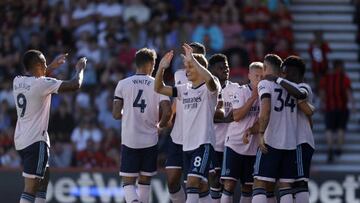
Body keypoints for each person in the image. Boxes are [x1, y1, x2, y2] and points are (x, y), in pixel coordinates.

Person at [14, 50, 87, 203]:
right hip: (35, 140)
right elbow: (75, 85)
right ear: (38, 65)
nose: (47, 66)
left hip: (21, 139)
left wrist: (53, 65)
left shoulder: (17, 81)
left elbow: (38, 76)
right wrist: (80, 68)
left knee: (44, 178)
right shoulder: (42, 84)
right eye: (45, 64)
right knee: (31, 187)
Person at [155, 44, 221, 203]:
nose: (186, 71)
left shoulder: (210, 88)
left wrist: (194, 62)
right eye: (186, 67)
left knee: (193, 183)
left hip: (203, 143)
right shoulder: (184, 89)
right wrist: (161, 68)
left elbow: (210, 80)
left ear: (199, 68)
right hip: (186, 145)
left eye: (189, 67)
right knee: (196, 187)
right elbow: (158, 88)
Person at [112, 48, 172, 203]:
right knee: (145, 181)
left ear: (136, 64)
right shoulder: (158, 85)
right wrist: (160, 125)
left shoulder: (123, 84)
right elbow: (167, 112)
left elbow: (116, 114)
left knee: (128, 182)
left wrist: (130, 113)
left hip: (130, 138)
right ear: (152, 64)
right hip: (150, 140)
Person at [264, 56, 315, 203]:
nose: (283, 74)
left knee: (300, 182)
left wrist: (277, 79)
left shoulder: (303, 87)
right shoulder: (285, 88)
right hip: (290, 141)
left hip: (300, 140)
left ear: (295, 73)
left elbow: (300, 95)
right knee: (286, 183)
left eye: (286, 71)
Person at [252, 54, 298, 203]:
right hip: (290, 143)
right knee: (285, 186)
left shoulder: (265, 84)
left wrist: (260, 134)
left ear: (265, 68)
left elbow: (265, 111)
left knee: (259, 183)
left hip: (271, 141)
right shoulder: (291, 86)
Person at [165, 42, 206, 203]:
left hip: (198, 136)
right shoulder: (179, 74)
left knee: (197, 183)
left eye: (191, 55)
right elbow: (178, 98)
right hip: (178, 134)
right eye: (186, 55)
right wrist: (169, 116)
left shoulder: (208, 79)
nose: (187, 59)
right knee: (172, 181)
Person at [220, 62, 263, 203]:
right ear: (249, 76)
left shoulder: (266, 95)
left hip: (253, 147)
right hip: (234, 144)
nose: (259, 79)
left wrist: (251, 130)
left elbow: (263, 121)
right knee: (229, 185)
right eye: (256, 76)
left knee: (248, 188)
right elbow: (237, 116)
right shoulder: (241, 91)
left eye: (262, 76)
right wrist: (253, 98)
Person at [207, 53, 239, 202]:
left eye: (226, 68)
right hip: (213, 143)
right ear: (212, 70)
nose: (225, 71)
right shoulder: (207, 90)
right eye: (221, 68)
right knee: (214, 179)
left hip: (231, 144)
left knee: (228, 184)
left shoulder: (237, 89)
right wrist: (225, 119)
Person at [319, 59, 355, 163]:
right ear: (340, 67)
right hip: (342, 107)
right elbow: (348, 92)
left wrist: (322, 103)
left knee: (329, 129)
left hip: (329, 108)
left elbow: (322, 93)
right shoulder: (344, 78)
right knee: (341, 128)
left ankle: (330, 149)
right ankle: (338, 148)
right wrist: (352, 105)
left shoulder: (325, 78)